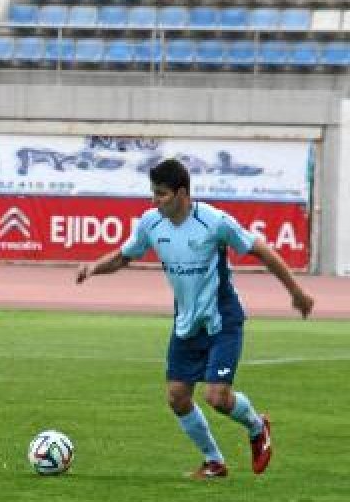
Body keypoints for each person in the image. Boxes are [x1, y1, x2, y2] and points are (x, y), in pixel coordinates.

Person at [77, 158, 315, 479]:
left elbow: (261, 250)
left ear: (182, 194)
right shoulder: (151, 223)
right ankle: (214, 462)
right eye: (153, 193)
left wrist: (296, 293)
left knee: (216, 396)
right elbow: (124, 256)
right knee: (177, 396)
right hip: (186, 324)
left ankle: (258, 427)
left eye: (161, 194)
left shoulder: (214, 222)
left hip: (222, 321)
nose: (154, 200)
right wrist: (94, 268)